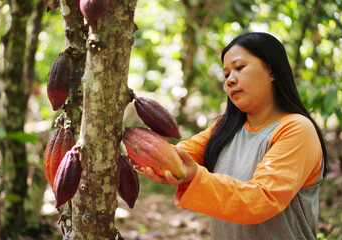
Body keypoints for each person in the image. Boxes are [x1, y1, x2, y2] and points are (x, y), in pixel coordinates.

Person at [137, 32, 328, 239]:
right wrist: (148, 152)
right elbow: (182, 154)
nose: (230, 80)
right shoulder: (224, 128)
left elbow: (262, 199)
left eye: (239, 68)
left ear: (271, 71)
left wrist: (195, 176)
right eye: (226, 74)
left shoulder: (296, 129)